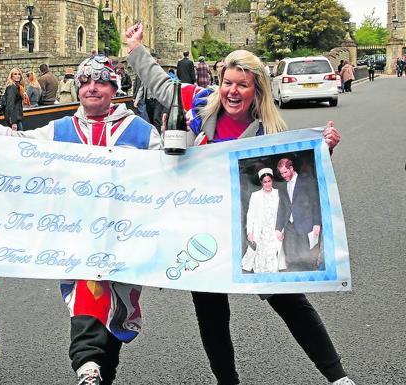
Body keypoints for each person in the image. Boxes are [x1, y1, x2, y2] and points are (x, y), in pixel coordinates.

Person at [125, 22, 355, 385]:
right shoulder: (199, 102)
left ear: (256, 90)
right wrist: (136, 48)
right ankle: (227, 381)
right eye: (228, 82)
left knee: (289, 300)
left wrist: (324, 150)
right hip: (204, 226)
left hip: (251, 225)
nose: (233, 91)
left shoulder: (270, 133)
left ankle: (338, 377)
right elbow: (159, 85)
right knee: (211, 310)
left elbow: (295, 173)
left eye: (242, 85)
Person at [0, 54, 161, 385]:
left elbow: (169, 178)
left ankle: (101, 372)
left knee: (115, 315)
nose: (93, 88)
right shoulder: (61, 130)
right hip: (78, 240)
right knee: (87, 296)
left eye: (101, 81)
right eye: (86, 82)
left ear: (113, 88)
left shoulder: (140, 132)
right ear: (77, 88)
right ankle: (86, 364)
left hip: (125, 243)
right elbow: (20, 146)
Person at [275, 157, 321, 272]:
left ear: (291, 168)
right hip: (289, 226)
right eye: (281, 173)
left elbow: (315, 202)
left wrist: (317, 223)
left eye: (285, 172)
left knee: (306, 257)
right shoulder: (282, 186)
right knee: (290, 257)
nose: (284, 175)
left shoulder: (307, 180)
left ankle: (308, 281)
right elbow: (282, 207)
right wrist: (278, 228)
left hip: (305, 224)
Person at [242, 168, 283, 273]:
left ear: (272, 180)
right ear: (261, 182)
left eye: (269, 181)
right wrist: (249, 232)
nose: (267, 184)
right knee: (259, 253)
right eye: (265, 182)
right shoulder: (255, 195)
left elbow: (282, 213)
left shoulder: (278, 194)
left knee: (272, 253)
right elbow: (250, 214)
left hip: (273, 230)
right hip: (260, 231)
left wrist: (281, 230)